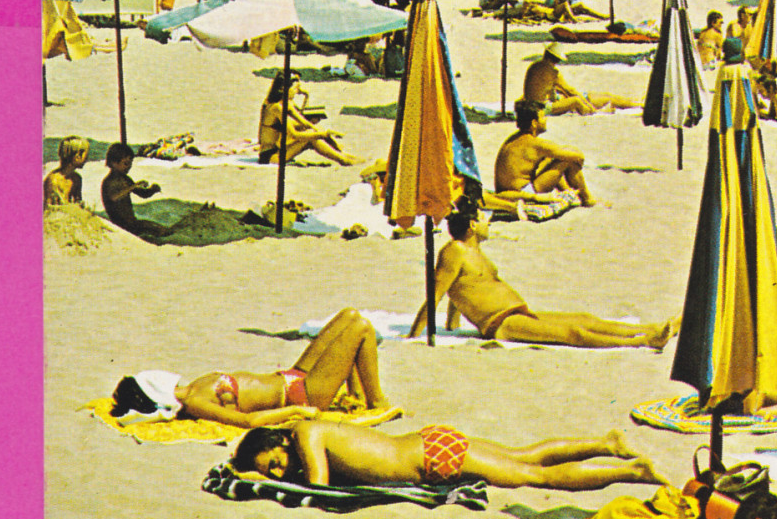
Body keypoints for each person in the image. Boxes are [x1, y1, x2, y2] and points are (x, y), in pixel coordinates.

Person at [407, 200, 675, 348]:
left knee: (584, 318)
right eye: (485, 217)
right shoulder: (454, 251)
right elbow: (437, 292)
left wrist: (453, 326)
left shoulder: (473, 253)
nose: (489, 222)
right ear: (473, 225)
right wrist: (412, 336)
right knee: (573, 332)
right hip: (500, 324)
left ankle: (649, 328)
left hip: (517, 312)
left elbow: (460, 290)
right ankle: (643, 341)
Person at [109, 308, 388, 428]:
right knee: (361, 328)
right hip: (300, 395)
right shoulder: (194, 403)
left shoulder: (193, 387)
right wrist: (297, 410)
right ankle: (376, 402)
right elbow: (248, 422)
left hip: (292, 376)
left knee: (349, 315)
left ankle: (358, 397)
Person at [232, 419, 668, 492]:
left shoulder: (305, 434)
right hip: (427, 444)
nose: (278, 470)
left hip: (431, 459)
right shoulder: (309, 431)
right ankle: (606, 444)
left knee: (535, 478)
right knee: (522, 457)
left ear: (275, 443)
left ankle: (629, 470)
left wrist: (269, 485)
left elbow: (320, 485)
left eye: (272, 463)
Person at [495, 100, 596, 207]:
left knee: (552, 158)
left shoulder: (514, 139)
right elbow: (578, 156)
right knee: (568, 160)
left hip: (508, 191)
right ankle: (587, 199)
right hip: (522, 193)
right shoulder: (535, 144)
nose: (546, 119)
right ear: (534, 123)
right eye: (543, 117)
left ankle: (569, 191)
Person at [258, 71, 361, 166]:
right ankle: (343, 160)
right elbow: (295, 135)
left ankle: (342, 154)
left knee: (315, 129)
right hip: (270, 156)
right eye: (295, 88)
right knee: (312, 139)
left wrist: (319, 130)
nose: (297, 91)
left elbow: (304, 121)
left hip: (279, 149)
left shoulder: (287, 102)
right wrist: (321, 134)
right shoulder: (276, 107)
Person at [521, 42, 638, 115]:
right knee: (580, 100)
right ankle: (596, 112)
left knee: (597, 96)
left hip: (533, 104)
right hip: (541, 108)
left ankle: (635, 102)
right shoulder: (552, 72)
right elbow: (570, 91)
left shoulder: (535, 65)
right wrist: (586, 103)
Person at [100, 142, 175, 239]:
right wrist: (133, 187)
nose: (129, 167)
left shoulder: (125, 179)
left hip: (132, 223)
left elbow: (142, 194)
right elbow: (113, 197)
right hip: (120, 225)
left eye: (130, 164)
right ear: (114, 163)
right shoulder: (109, 181)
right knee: (156, 230)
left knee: (160, 229)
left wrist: (152, 190)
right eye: (126, 164)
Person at [44, 134, 89, 207]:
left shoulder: (76, 178)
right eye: (85, 155)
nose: (87, 159)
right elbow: (49, 209)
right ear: (77, 156)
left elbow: (78, 203)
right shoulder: (53, 180)